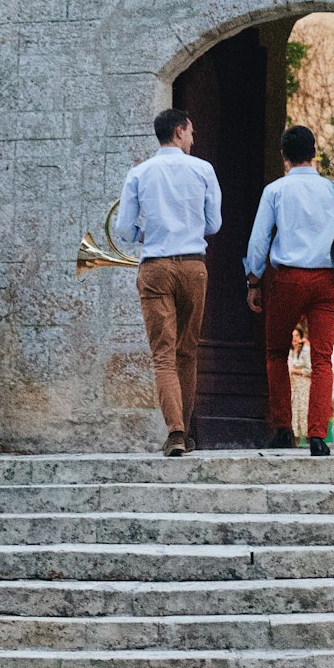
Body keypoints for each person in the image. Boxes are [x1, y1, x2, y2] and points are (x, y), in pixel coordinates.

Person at [245, 124, 334, 457]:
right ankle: (317, 436)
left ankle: (282, 429)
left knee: (276, 353)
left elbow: (259, 239)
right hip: (326, 279)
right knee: (323, 359)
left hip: (287, 279)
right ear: (315, 151)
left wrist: (254, 280)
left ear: (284, 156)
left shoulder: (275, 190)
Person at [116, 108, 222, 457]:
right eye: (191, 132)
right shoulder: (203, 169)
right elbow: (213, 224)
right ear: (179, 131)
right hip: (193, 265)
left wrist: (146, 231)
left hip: (156, 266)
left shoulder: (139, 172)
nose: (193, 138)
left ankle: (175, 432)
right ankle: (185, 431)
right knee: (187, 352)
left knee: (163, 355)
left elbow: (123, 230)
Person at [287, 325, 311, 447]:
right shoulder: (290, 352)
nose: (294, 338)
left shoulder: (305, 351)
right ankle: (294, 439)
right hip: (293, 386)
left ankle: (308, 439)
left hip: (303, 385)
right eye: (292, 336)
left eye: (297, 335)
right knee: (293, 411)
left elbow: (310, 369)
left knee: (304, 410)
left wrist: (295, 370)